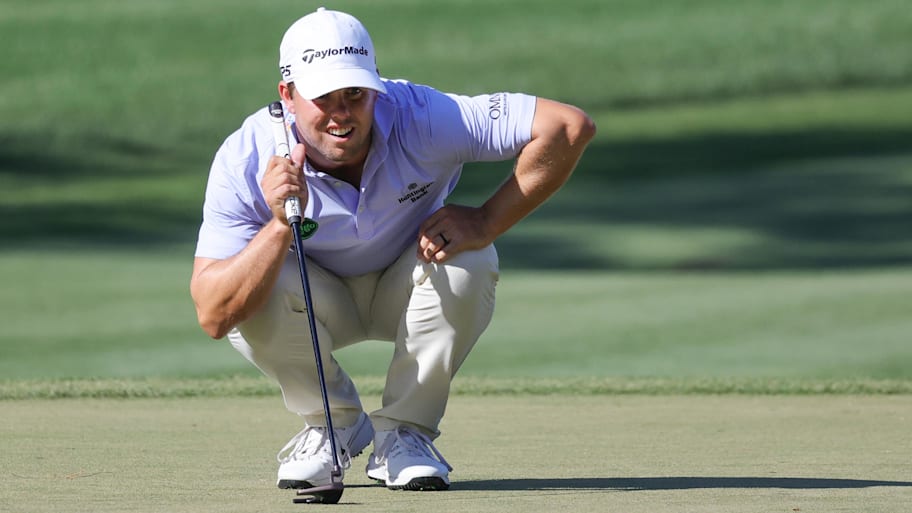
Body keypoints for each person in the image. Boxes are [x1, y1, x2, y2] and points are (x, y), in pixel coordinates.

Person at [190, 7, 595, 492]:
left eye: (355, 94)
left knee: (470, 258)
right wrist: (279, 223)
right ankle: (331, 425)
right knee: (251, 279)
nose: (342, 113)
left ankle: (405, 435)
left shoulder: (422, 116)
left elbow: (568, 127)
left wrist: (486, 220)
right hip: (316, 301)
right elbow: (215, 313)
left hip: (407, 287)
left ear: (375, 85)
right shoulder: (245, 157)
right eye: (323, 97)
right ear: (288, 96)